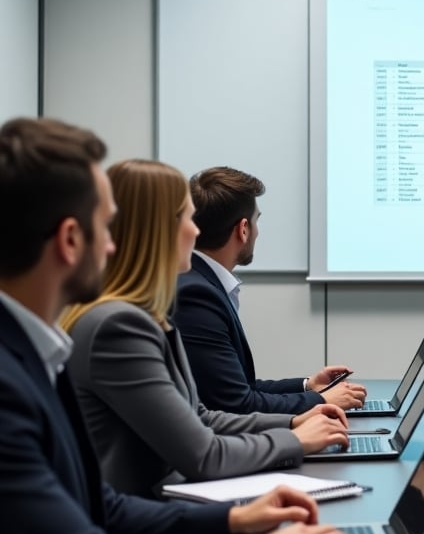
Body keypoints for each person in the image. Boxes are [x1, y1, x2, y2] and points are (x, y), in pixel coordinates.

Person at [0, 117, 361, 534]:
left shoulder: (40, 349)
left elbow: (99, 505)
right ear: (70, 241)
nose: (114, 244)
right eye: (103, 227)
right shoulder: (27, 367)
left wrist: (234, 521)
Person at [62, 159, 351, 499]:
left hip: (160, 503)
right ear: (160, 231)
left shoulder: (145, 314)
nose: (196, 231)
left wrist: (292, 422)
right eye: (187, 218)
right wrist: (296, 440)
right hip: (142, 517)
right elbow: (204, 455)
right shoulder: (118, 326)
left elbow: (199, 416)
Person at [175, 166, 367, 416]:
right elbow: (237, 404)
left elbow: (239, 388)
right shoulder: (196, 296)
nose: (258, 231)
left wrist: (308, 385)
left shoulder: (200, 282)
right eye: (257, 221)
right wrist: (321, 400)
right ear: (243, 229)